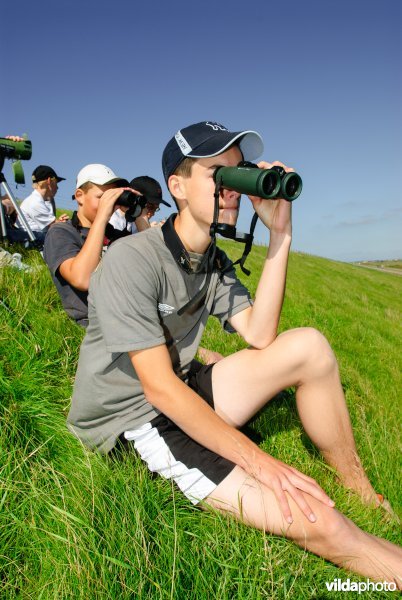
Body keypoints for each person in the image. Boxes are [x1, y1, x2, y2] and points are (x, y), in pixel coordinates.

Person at [68, 121, 402, 584]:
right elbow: (159, 390)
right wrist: (260, 461)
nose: (231, 189)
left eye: (238, 174)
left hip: (178, 389)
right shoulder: (132, 259)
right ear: (178, 187)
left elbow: (261, 334)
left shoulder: (209, 259)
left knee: (310, 346)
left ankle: (359, 487)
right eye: (218, 176)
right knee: (315, 518)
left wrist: (281, 233)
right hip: (132, 422)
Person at [43, 163, 136, 328]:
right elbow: (83, 279)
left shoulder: (113, 233)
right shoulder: (61, 232)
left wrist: (139, 214)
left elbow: (155, 264)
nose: (110, 205)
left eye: (113, 199)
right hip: (94, 323)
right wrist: (101, 217)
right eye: (102, 197)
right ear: (79, 196)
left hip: (128, 317)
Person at [18, 165, 69, 243]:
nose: (57, 187)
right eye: (56, 183)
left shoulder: (39, 200)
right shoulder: (35, 202)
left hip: (37, 236)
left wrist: (59, 221)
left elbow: (52, 225)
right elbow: (55, 227)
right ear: (49, 181)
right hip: (33, 239)